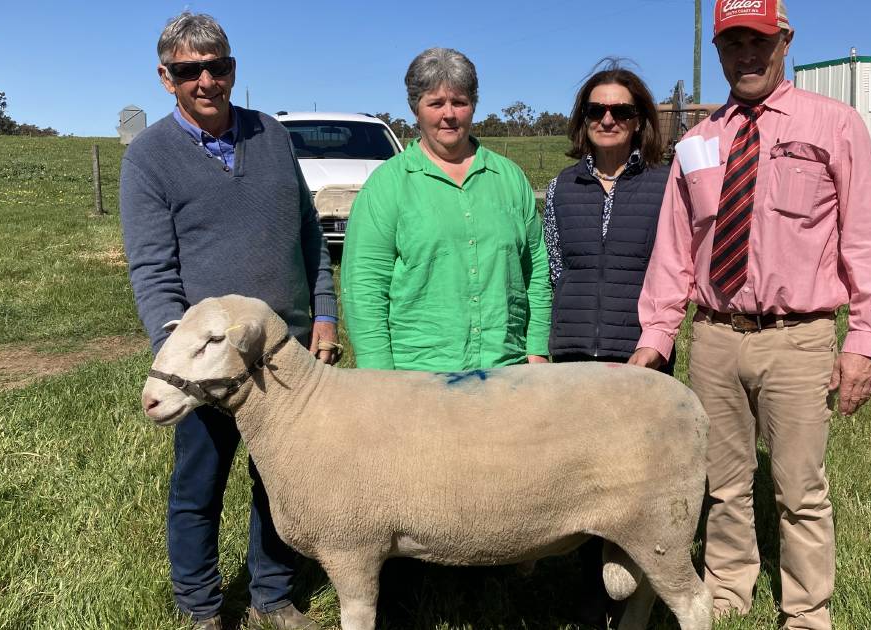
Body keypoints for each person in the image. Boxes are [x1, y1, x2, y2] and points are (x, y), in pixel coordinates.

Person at [628, 1, 871, 628]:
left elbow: (864, 239)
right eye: (732, 44)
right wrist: (657, 336)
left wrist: (865, 339)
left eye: (758, 41)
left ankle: (806, 610)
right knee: (723, 483)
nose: (745, 55)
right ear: (718, 49)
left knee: (800, 491)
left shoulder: (836, 125)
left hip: (797, 337)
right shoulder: (698, 142)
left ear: (784, 40)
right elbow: (675, 249)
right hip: (715, 337)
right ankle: (727, 588)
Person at [120, 12, 336, 630]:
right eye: (190, 71)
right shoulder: (149, 157)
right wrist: (179, 355)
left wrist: (324, 313)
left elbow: (308, 236)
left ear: (234, 69)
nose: (206, 81)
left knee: (282, 481)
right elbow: (153, 268)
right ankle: (201, 605)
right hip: (208, 363)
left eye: (218, 67)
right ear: (167, 78)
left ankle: (273, 595)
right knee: (200, 483)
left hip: (283, 350)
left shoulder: (271, 135)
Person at [341, 47, 551, 372]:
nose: (449, 114)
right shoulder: (387, 185)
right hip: (420, 379)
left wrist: (536, 347)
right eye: (436, 103)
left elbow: (536, 269)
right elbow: (365, 286)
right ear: (416, 109)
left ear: (474, 106)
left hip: (506, 371)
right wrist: (377, 376)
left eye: (460, 102)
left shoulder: (510, 178)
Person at [543, 64, 672, 373]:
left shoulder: (668, 186)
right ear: (583, 118)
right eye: (596, 110)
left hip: (641, 357)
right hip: (571, 358)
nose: (608, 120)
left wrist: (656, 342)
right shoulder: (560, 187)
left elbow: (676, 272)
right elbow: (554, 270)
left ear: (639, 121)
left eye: (622, 111)